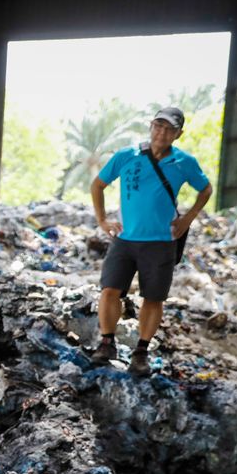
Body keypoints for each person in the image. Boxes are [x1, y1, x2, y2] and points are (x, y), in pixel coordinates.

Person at [89, 106, 212, 376]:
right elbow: (98, 185)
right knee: (109, 290)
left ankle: (141, 352)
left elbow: (205, 189)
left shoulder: (184, 162)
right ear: (150, 126)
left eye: (169, 129)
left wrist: (187, 219)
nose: (162, 132)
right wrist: (102, 220)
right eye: (158, 126)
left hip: (161, 241)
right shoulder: (127, 156)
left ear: (178, 134)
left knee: (153, 298)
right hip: (124, 239)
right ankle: (107, 343)